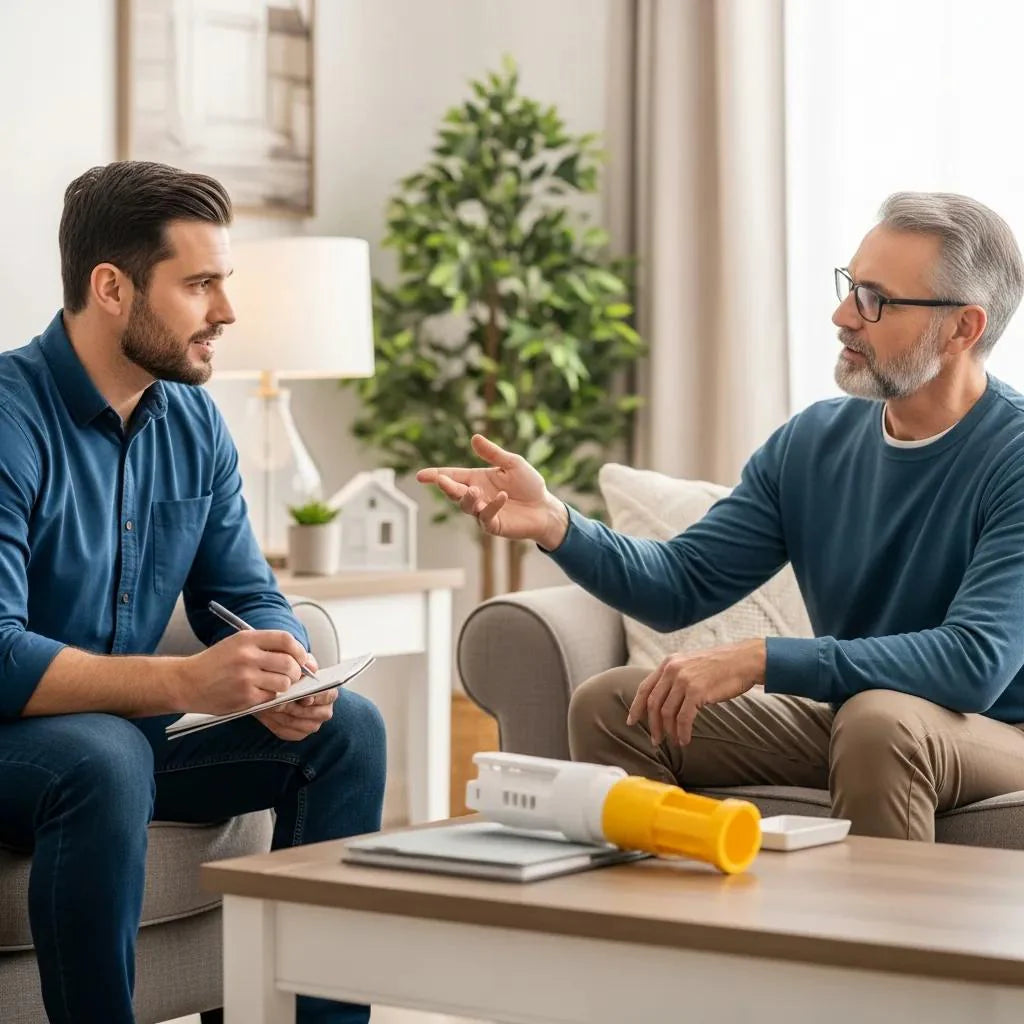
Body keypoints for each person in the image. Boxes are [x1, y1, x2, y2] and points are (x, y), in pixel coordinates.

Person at [418, 191, 1024, 844]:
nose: (843, 315)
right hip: (855, 719)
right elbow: (682, 583)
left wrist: (764, 658)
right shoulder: (813, 443)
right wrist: (557, 524)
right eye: (850, 286)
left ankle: (876, 948)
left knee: (880, 722)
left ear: (964, 327)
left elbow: (975, 664)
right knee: (617, 707)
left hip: (991, 733)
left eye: (875, 300)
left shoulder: (1011, 455)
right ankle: (673, 933)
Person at [0, 161, 386, 1024]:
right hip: (19, 742)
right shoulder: (9, 418)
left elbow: (245, 588)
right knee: (102, 754)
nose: (227, 312)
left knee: (349, 731)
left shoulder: (194, 420)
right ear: (111, 287)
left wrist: (287, 670)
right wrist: (184, 683)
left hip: (124, 736)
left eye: (225, 282)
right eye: (200, 283)